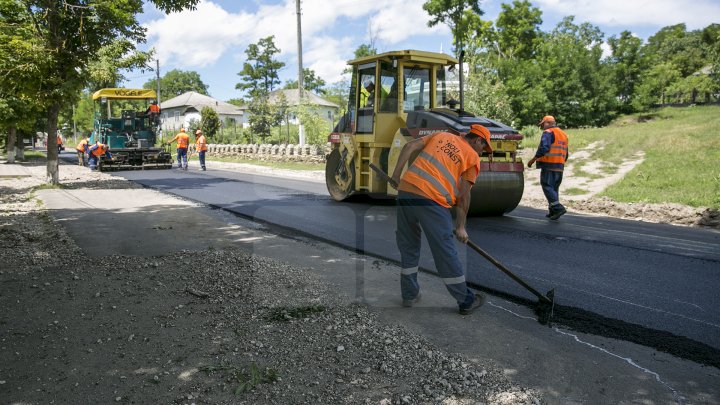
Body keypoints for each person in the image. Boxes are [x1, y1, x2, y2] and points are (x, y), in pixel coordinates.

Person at [389, 124, 493, 315]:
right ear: (478, 140)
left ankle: (409, 294)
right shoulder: (472, 157)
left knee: (408, 244)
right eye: (484, 147)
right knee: (445, 251)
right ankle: (466, 300)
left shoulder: (441, 135)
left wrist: (396, 176)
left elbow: (408, 147)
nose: (483, 151)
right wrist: (460, 227)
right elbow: (464, 195)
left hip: (406, 191)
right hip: (432, 201)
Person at [527, 115, 569, 220]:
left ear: (548, 123)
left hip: (549, 165)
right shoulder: (563, 134)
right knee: (554, 188)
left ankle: (558, 208)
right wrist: (561, 162)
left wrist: (533, 160)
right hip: (559, 166)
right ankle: (553, 211)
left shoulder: (549, 132)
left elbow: (544, 148)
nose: (542, 127)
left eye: (543, 124)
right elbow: (566, 153)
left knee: (546, 185)